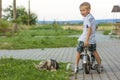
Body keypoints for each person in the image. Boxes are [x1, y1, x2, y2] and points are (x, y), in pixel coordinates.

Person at [74, 2, 103, 73]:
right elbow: (94, 27)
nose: (82, 12)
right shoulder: (91, 17)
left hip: (84, 39)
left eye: (83, 10)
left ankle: (76, 66)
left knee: (78, 51)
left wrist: (86, 40)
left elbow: (89, 29)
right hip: (92, 40)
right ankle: (100, 65)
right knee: (94, 51)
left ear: (89, 10)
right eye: (80, 10)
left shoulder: (86, 18)